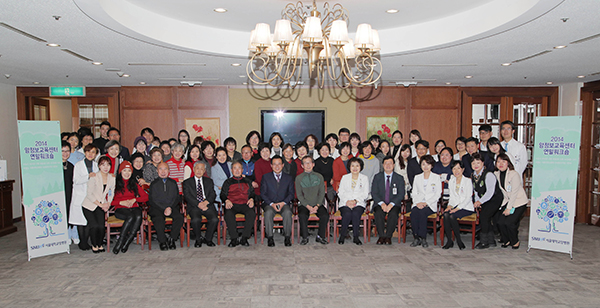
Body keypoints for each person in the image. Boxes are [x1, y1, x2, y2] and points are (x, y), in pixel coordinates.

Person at [110, 161, 148, 254]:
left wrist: (135, 199)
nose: (127, 173)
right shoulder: (114, 184)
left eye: (129, 171)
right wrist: (121, 202)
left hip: (133, 207)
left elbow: (146, 197)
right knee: (130, 217)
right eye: (124, 170)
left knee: (138, 216)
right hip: (120, 208)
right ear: (120, 172)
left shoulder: (134, 184)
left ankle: (128, 241)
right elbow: (109, 201)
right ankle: (121, 241)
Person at [82, 155, 115, 253]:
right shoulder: (94, 176)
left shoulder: (112, 177)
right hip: (89, 205)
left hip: (102, 205)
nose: (106, 167)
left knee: (101, 226)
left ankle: (99, 244)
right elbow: (89, 194)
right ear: (99, 166)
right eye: (103, 165)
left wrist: (108, 203)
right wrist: (101, 205)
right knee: (94, 225)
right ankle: (94, 244)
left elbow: (111, 192)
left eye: (108, 165)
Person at [494, 153, 528, 249]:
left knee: (509, 223)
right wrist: (502, 206)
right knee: (500, 222)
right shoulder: (496, 174)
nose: (501, 164)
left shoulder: (514, 174)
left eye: (503, 161)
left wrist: (509, 208)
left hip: (519, 202)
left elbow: (514, 192)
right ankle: (506, 240)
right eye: (498, 161)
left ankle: (515, 241)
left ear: (508, 163)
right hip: (507, 201)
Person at [69, 144, 99, 251]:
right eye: (88, 151)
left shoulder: (96, 165)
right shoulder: (78, 165)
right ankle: (82, 242)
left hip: (91, 197)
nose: (90, 154)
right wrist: (88, 176)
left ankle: (86, 241)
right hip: (80, 195)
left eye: (93, 152)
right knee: (80, 221)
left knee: (87, 220)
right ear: (85, 153)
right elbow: (76, 180)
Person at [148, 162, 184, 251]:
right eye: (160, 169)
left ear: (169, 171)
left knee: (179, 218)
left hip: (171, 207)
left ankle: (172, 238)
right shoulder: (153, 184)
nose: (163, 171)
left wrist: (170, 207)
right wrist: (163, 208)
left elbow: (177, 198)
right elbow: (152, 200)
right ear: (157, 171)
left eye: (165, 169)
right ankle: (163, 241)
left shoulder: (173, 182)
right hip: (157, 208)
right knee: (158, 219)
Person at [260, 155, 295, 247]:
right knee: (268, 213)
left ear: (283, 165)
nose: (277, 166)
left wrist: (283, 203)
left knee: (287, 212)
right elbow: (263, 194)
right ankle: (270, 237)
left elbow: (291, 194)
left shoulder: (288, 178)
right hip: (269, 204)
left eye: (279, 164)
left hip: (284, 203)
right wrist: (271, 204)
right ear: (271, 165)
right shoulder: (266, 177)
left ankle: (287, 237)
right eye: (274, 164)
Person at [182, 162, 219, 248]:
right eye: (197, 168)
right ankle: (198, 239)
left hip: (207, 205)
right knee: (195, 220)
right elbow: (187, 196)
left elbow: (212, 194)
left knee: (214, 219)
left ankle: (208, 239)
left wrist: (206, 202)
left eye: (202, 169)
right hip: (194, 206)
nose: (199, 171)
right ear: (194, 169)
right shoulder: (187, 182)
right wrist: (198, 204)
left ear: (204, 171)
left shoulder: (209, 181)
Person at [471, 152, 503, 249]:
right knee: (486, 218)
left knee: (484, 217)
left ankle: (484, 241)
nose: (475, 165)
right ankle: (491, 240)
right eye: (473, 163)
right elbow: (476, 190)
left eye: (478, 163)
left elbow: (490, 192)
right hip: (484, 199)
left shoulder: (489, 175)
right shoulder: (473, 175)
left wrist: (480, 202)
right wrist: (477, 202)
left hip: (494, 199)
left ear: (483, 163)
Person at [221, 161, 256, 247]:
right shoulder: (227, 182)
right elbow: (222, 194)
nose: (237, 170)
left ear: (242, 170)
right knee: (228, 214)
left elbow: (252, 193)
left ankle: (244, 238)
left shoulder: (247, 181)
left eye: (239, 168)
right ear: (231, 170)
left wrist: (251, 199)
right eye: (235, 168)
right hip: (232, 204)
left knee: (251, 213)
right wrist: (226, 200)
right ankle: (234, 239)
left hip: (245, 204)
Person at [371, 156, 405, 245]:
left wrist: (391, 204)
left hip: (394, 204)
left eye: (390, 163)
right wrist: (382, 204)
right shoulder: (377, 177)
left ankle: (388, 236)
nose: (388, 165)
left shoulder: (399, 178)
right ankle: (381, 236)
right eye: (386, 163)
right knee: (378, 213)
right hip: (380, 203)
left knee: (393, 214)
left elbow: (401, 194)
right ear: (383, 165)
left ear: (394, 165)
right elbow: (374, 193)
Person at [409, 155, 441, 248]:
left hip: (430, 204)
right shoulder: (417, 177)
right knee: (414, 213)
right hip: (418, 203)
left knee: (423, 213)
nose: (425, 166)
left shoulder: (436, 177)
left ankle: (423, 238)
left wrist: (426, 203)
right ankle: (416, 238)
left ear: (432, 165)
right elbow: (414, 192)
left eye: (428, 164)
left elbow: (437, 194)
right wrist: (417, 203)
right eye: (423, 164)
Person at [296, 156, 328, 245]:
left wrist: (317, 205)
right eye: (305, 163)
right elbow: (299, 195)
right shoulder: (299, 178)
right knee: (302, 215)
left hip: (317, 204)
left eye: (309, 162)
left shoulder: (319, 176)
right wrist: (308, 206)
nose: (308, 165)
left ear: (313, 164)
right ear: (302, 165)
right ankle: (305, 237)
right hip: (304, 205)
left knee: (325, 215)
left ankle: (320, 236)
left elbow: (322, 193)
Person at [442, 160, 474, 250]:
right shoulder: (451, 181)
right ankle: (449, 241)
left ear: (463, 169)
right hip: (455, 206)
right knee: (446, 214)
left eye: (458, 168)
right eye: (454, 168)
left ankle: (459, 240)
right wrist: (449, 206)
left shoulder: (467, 181)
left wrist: (458, 208)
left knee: (452, 216)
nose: (456, 171)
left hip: (466, 207)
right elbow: (452, 197)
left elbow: (468, 198)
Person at [337, 157, 370, 245]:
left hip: (358, 203)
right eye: (352, 166)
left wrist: (355, 201)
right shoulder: (345, 177)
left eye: (357, 166)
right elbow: (340, 192)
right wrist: (347, 201)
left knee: (355, 213)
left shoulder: (364, 178)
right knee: (347, 213)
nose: (355, 168)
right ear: (349, 167)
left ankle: (356, 237)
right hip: (345, 202)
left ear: (361, 167)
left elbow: (365, 193)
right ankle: (342, 235)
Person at [61, 141, 76, 244]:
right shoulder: (54, 166)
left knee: (69, 212)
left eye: (67, 151)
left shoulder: (71, 166)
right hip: (58, 194)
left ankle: (70, 233)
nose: (65, 153)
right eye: (62, 151)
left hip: (70, 193)